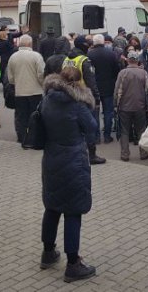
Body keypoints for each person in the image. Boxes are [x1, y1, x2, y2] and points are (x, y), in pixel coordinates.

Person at [39, 67, 98, 282]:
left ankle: (48, 253)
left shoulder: (47, 99)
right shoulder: (77, 105)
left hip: (52, 158)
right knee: (73, 211)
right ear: (78, 83)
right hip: (73, 160)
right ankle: (73, 263)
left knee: (52, 206)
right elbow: (92, 130)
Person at [63, 36, 106, 164]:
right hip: (83, 98)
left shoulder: (66, 59)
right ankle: (91, 155)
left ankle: (75, 153)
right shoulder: (84, 60)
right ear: (83, 46)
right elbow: (91, 82)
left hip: (69, 96)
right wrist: (97, 99)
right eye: (88, 44)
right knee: (89, 126)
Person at [7, 34, 45, 146]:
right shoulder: (36, 56)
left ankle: (22, 138)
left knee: (21, 116)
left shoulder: (13, 57)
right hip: (36, 92)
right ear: (30, 44)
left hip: (20, 92)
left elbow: (10, 78)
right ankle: (34, 138)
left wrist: (17, 83)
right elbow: (41, 74)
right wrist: (43, 85)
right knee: (35, 115)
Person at [114, 51, 148, 161]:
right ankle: (143, 153)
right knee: (141, 130)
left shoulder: (123, 73)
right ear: (138, 60)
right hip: (140, 106)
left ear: (128, 60)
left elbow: (117, 91)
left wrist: (116, 104)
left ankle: (125, 154)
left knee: (124, 131)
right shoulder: (144, 73)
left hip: (124, 107)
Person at [88, 34, 120, 144]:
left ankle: (96, 137)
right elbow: (117, 69)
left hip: (94, 87)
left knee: (95, 112)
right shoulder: (111, 54)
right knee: (108, 112)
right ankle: (107, 136)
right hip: (108, 87)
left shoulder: (89, 54)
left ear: (94, 42)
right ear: (103, 42)